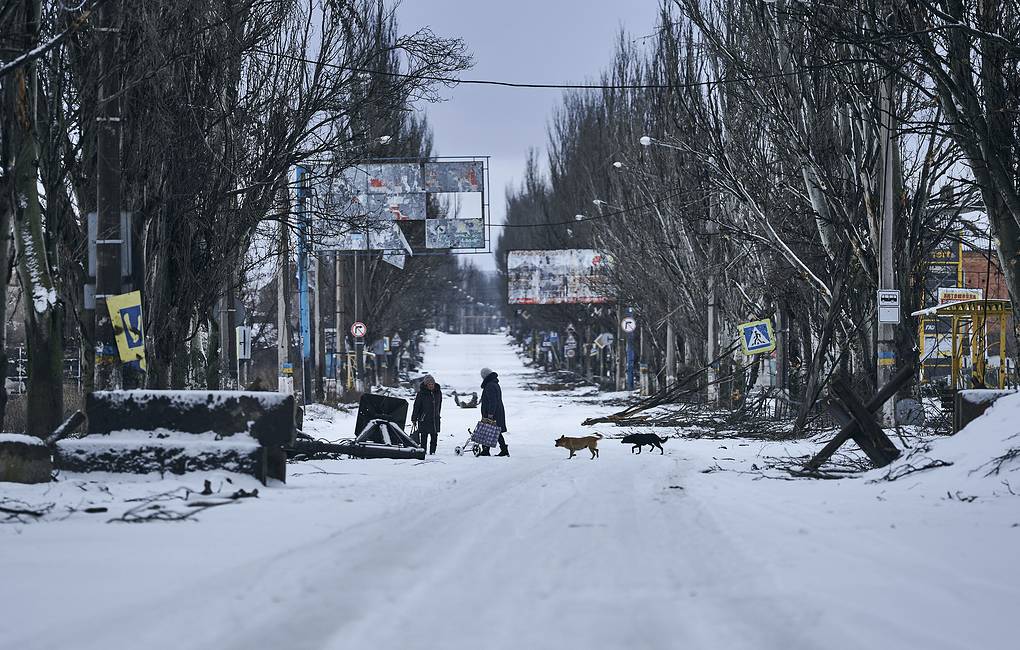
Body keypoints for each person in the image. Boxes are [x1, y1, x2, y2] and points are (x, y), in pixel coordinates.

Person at [478, 367, 509, 457]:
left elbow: (493, 401)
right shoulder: (494, 383)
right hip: (497, 412)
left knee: (488, 431)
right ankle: (501, 450)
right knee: (494, 431)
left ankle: (487, 450)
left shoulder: (490, 385)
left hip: (492, 413)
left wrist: (490, 414)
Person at [411, 374, 442, 455]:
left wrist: (437, 414)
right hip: (424, 418)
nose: (431, 386)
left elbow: (439, 405)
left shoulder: (438, 392)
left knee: (434, 436)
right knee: (424, 436)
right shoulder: (421, 394)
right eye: (429, 384)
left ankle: (433, 452)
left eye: (432, 384)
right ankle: (423, 451)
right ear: (426, 385)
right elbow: (416, 406)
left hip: (435, 418)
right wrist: (414, 418)